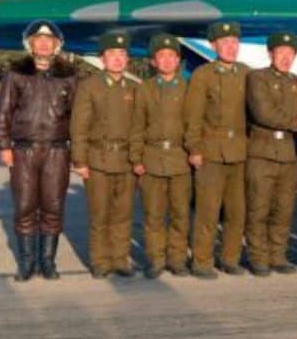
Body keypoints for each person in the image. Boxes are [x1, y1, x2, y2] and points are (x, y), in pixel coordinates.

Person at [0, 20, 80, 281]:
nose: (43, 43)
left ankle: (48, 262)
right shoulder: (16, 74)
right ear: (30, 43)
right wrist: (3, 146)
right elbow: (3, 112)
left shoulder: (69, 75)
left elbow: (78, 117)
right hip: (24, 150)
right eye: (38, 39)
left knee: (53, 206)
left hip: (57, 150)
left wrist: (78, 152)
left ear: (57, 44)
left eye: (49, 39)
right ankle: (27, 263)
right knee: (25, 206)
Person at [71, 30, 139, 279]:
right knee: (100, 214)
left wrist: (138, 159)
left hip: (126, 160)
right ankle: (100, 261)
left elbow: (139, 126)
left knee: (123, 214)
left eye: (122, 54)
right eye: (112, 54)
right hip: (98, 159)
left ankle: (120, 259)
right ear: (102, 58)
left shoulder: (134, 88)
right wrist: (79, 160)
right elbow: (79, 126)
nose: (118, 59)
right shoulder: (90, 86)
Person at [184, 21, 249, 279]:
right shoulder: (203, 75)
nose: (230, 47)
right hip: (211, 152)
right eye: (224, 43)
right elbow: (193, 117)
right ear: (213, 45)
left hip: (240, 151)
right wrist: (194, 148)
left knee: (237, 211)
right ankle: (201, 261)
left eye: (234, 42)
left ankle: (230, 258)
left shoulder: (246, 73)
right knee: (208, 211)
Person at [129, 33, 191, 279]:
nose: (166, 61)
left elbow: (195, 124)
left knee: (180, 214)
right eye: (160, 56)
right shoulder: (144, 89)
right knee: (153, 215)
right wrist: (136, 158)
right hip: (152, 157)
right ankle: (155, 260)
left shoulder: (189, 88)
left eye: (171, 56)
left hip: (180, 158)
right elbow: (136, 126)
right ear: (153, 62)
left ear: (178, 60)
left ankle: (176, 260)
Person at [245, 31, 297, 276]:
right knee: (259, 208)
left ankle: (277, 255)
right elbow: (263, 113)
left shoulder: (296, 82)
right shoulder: (257, 78)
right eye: (281, 53)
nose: (286, 58)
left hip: (288, 155)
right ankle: (258, 257)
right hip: (262, 153)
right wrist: (294, 124)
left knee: (284, 208)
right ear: (270, 53)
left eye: (290, 54)